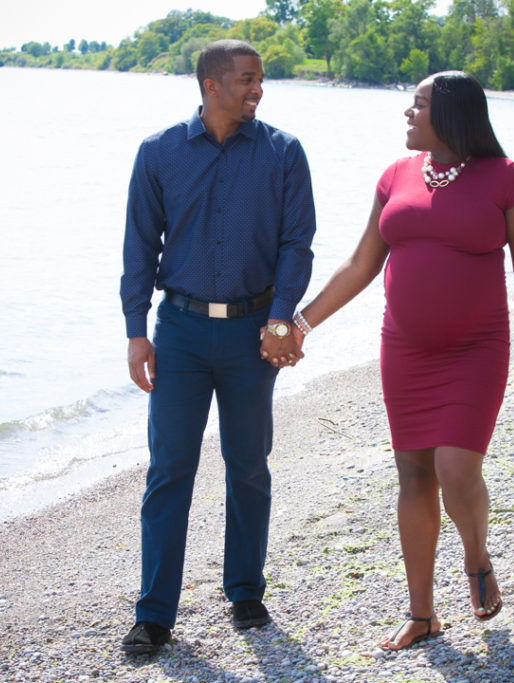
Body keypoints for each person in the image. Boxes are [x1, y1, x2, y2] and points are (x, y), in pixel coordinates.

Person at [291, 71, 514, 650]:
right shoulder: (394, 176)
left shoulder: (507, 180)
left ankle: (476, 555)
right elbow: (360, 265)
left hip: (476, 349)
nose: (408, 113)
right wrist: (301, 324)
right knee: (413, 476)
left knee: (456, 470)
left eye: (420, 104)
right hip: (405, 350)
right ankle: (422, 613)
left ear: (452, 114)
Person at [118, 39, 315, 654]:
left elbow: (296, 242)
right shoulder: (159, 153)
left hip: (251, 331)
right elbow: (138, 247)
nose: (258, 89)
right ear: (211, 84)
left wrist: (282, 319)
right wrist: (135, 331)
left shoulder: (283, 152)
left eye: (260, 80)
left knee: (249, 466)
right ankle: (154, 613)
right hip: (177, 331)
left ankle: (245, 592)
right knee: (169, 468)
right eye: (247, 79)